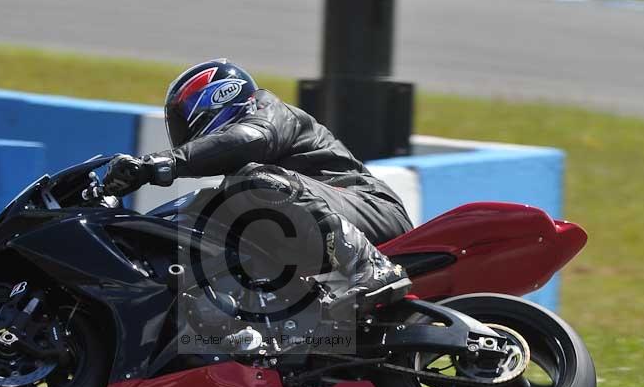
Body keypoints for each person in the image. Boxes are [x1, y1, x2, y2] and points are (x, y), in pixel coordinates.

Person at [102, 58, 413, 317]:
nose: (182, 133)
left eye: (182, 120)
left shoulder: (267, 111)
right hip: (325, 217)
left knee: (254, 181)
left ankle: (369, 268)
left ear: (216, 98)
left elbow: (248, 139)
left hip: (371, 208)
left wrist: (160, 162)